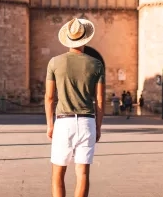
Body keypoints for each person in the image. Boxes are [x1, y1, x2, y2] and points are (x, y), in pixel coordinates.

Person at [45, 16, 105, 197]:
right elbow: (100, 99)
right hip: (87, 122)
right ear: (86, 38)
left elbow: (49, 97)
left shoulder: (55, 62)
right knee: (83, 174)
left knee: (58, 173)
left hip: (63, 122)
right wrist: (98, 126)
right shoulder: (96, 64)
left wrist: (50, 125)